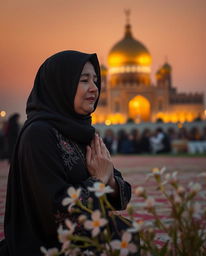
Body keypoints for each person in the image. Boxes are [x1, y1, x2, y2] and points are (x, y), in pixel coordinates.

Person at [2, 51, 138, 255]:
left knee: (128, 234)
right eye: (84, 80)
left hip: (86, 232)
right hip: (50, 244)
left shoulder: (82, 131)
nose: (94, 88)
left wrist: (108, 182)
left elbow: (122, 193)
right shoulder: (39, 134)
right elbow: (55, 212)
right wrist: (100, 179)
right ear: (60, 85)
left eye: (95, 80)